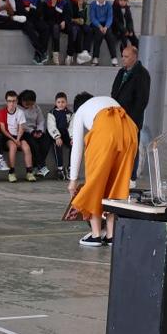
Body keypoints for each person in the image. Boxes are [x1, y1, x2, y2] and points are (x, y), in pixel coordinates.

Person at [68, 93, 138, 247]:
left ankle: (96, 235)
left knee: (95, 184)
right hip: (130, 131)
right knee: (116, 184)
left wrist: (73, 180)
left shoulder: (80, 111)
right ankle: (111, 235)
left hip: (106, 132)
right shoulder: (106, 101)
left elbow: (77, 147)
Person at [111, 44, 151, 181]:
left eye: (126, 57)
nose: (123, 59)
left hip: (131, 119)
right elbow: (114, 93)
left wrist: (129, 119)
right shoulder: (122, 72)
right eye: (122, 56)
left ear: (135, 57)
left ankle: (131, 177)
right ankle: (119, 175)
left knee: (131, 149)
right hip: (118, 118)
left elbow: (142, 101)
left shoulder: (142, 74)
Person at [1, 90, 36, 183]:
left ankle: (29, 172)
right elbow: (3, 130)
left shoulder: (20, 112)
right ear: (6, 101)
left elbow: (22, 128)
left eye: (14, 101)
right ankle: (11, 172)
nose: (11, 103)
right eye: (9, 101)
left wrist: (18, 139)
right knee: (13, 147)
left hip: (19, 136)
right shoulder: (2, 112)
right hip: (8, 137)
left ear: (16, 101)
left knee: (26, 147)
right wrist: (14, 140)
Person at [19, 89, 51, 176]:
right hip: (25, 131)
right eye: (27, 103)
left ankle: (37, 166)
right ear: (22, 100)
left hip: (36, 130)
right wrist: (32, 131)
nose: (29, 106)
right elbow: (22, 124)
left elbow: (41, 120)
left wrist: (40, 130)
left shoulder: (36, 107)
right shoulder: (18, 109)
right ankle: (42, 166)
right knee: (34, 144)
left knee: (46, 141)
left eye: (31, 103)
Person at [87, 0, 120, 66]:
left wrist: (106, 27)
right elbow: (92, 17)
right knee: (98, 34)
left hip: (106, 25)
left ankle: (114, 58)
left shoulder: (108, 5)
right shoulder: (93, 4)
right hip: (96, 24)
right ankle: (95, 58)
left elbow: (110, 17)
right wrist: (100, 26)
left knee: (110, 36)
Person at [47, 91, 73, 179]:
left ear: (66, 102)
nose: (61, 104)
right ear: (55, 103)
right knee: (58, 145)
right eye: (58, 102)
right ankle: (60, 169)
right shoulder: (52, 113)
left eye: (63, 102)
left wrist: (72, 137)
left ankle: (70, 168)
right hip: (56, 134)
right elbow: (51, 126)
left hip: (66, 134)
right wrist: (57, 137)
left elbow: (72, 127)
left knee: (74, 146)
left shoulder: (70, 114)